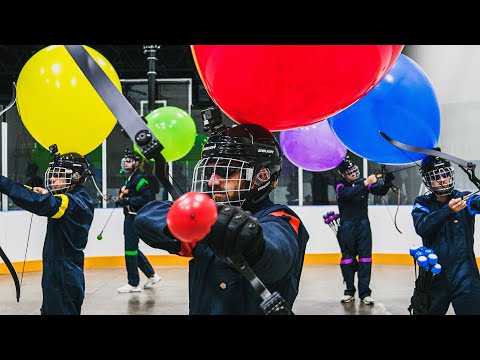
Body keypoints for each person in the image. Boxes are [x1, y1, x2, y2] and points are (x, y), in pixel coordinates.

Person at [134, 122, 310, 315]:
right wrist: (201, 218)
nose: (212, 181)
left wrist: (251, 242)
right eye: (210, 172)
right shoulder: (205, 221)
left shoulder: (281, 218)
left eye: (225, 171)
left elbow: (276, 254)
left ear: (261, 176)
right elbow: (146, 218)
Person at [0, 147, 94, 315]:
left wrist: (3, 183)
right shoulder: (74, 198)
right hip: (59, 270)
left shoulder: (72, 203)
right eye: (52, 174)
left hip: (63, 273)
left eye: (58, 175)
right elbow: (39, 197)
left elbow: (39, 202)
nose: (52, 178)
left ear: (75, 177)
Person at [411, 151, 480, 315]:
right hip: (434, 276)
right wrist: (447, 211)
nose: (442, 180)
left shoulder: (464, 199)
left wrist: (476, 180)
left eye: (444, 174)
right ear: (428, 180)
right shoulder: (422, 203)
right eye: (436, 177)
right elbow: (422, 227)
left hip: (465, 275)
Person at [335, 155, 394, 305]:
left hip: (363, 226)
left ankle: (365, 293)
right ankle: (349, 291)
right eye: (350, 172)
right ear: (343, 175)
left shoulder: (363, 183)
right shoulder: (340, 186)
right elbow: (347, 195)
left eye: (354, 170)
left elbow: (379, 191)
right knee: (347, 260)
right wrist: (366, 183)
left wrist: (387, 183)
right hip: (347, 227)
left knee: (365, 259)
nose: (354, 173)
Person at [115, 149, 161, 293]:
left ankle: (133, 283)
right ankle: (152, 275)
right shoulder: (130, 179)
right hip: (129, 216)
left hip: (134, 217)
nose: (125, 163)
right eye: (125, 160)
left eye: (129, 161)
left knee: (130, 250)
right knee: (133, 248)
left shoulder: (140, 179)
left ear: (136, 163)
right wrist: (121, 196)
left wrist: (126, 200)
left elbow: (146, 198)